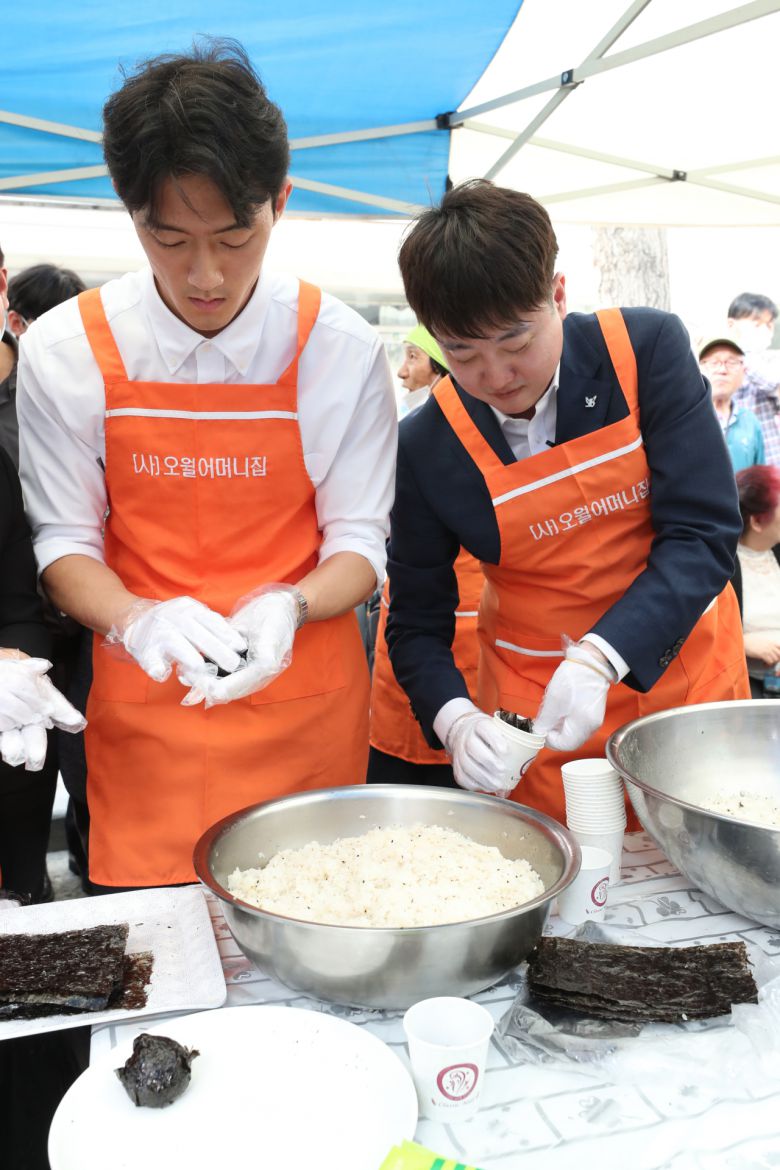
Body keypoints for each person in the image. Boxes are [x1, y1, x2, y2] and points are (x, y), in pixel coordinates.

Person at [17, 40, 397, 891]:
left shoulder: (340, 347)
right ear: (129, 216)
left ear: (281, 202)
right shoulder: (66, 348)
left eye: (235, 236)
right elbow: (65, 544)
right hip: (149, 710)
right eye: (170, 238)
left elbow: (361, 541)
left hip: (304, 704)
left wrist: (288, 606)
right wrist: (138, 620)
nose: (205, 274)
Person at [386, 179, 749, 825]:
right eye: (462, 353)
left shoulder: (645, 351)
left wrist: (600, 656)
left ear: (557, 294)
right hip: (540, 711)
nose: (496, 376)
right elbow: (416, 621)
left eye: (517, 342)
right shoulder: (425, 443)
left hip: (684, 677)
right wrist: (455, 718)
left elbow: (704, 532)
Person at [368, 325, 483, 785]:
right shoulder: (413, 438)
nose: (401, 371)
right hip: (411, 643)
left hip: (492, 643)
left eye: (413, 357)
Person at [733, 465, 780, 699]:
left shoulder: (776, 551)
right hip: (752, 688)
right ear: (758, 522)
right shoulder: (724, 567)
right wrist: (741, 642)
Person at [728, 292, 780, 467]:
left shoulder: (771, 360)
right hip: (738, 458)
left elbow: (773, 382)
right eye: (757, 324)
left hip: (771, 454)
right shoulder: (722, 361)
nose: (765, 331)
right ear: (731, 325)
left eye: (769, 325)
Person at [699, 336, 764, 472]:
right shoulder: (687, 418)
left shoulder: (750, 422)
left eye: (732, 362)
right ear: (700, 368)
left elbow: (761, 479)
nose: (722, 370)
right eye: (714, 362)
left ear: (743, 371)